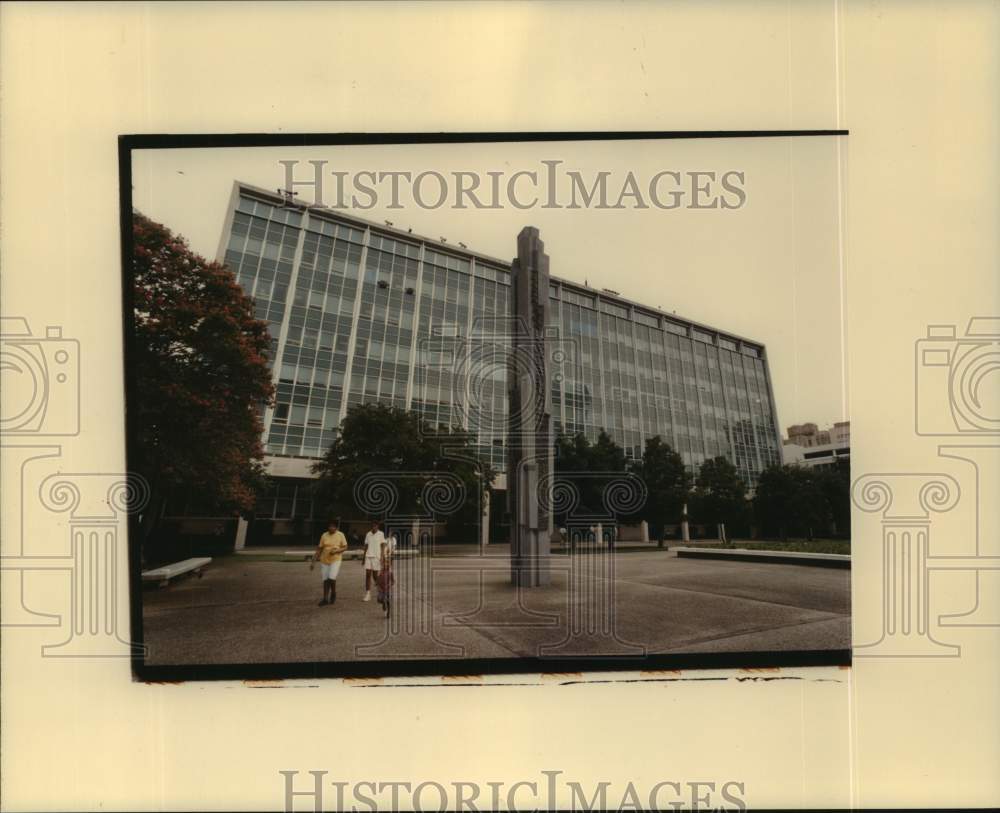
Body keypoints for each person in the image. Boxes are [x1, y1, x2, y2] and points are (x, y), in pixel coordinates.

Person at [311, 519, 347, 606]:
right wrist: (313, 561)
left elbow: (345, 547)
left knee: (332, 577)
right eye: (330, 526)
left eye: (333, 526)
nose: (331, 528)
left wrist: (336, 551)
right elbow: (319, 548)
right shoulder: (324, 535)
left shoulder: (340, 535)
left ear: (336, 527)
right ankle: (325, 599)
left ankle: (333, 593)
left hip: (336, 559)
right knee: (325, 579)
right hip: (324, 560)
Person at [362, 520, 385, 602]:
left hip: (376, 557)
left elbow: (382, 546)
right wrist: (363, 557)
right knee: (368, 574)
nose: (374, 527)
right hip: (368, 556)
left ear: (378, 526)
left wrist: (382, 556)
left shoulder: (381, 534)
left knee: (375, 576)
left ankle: (381, 590)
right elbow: (366, 546)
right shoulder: (368, 534)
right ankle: (368, 594)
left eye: (375, 525)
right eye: (372, 525)